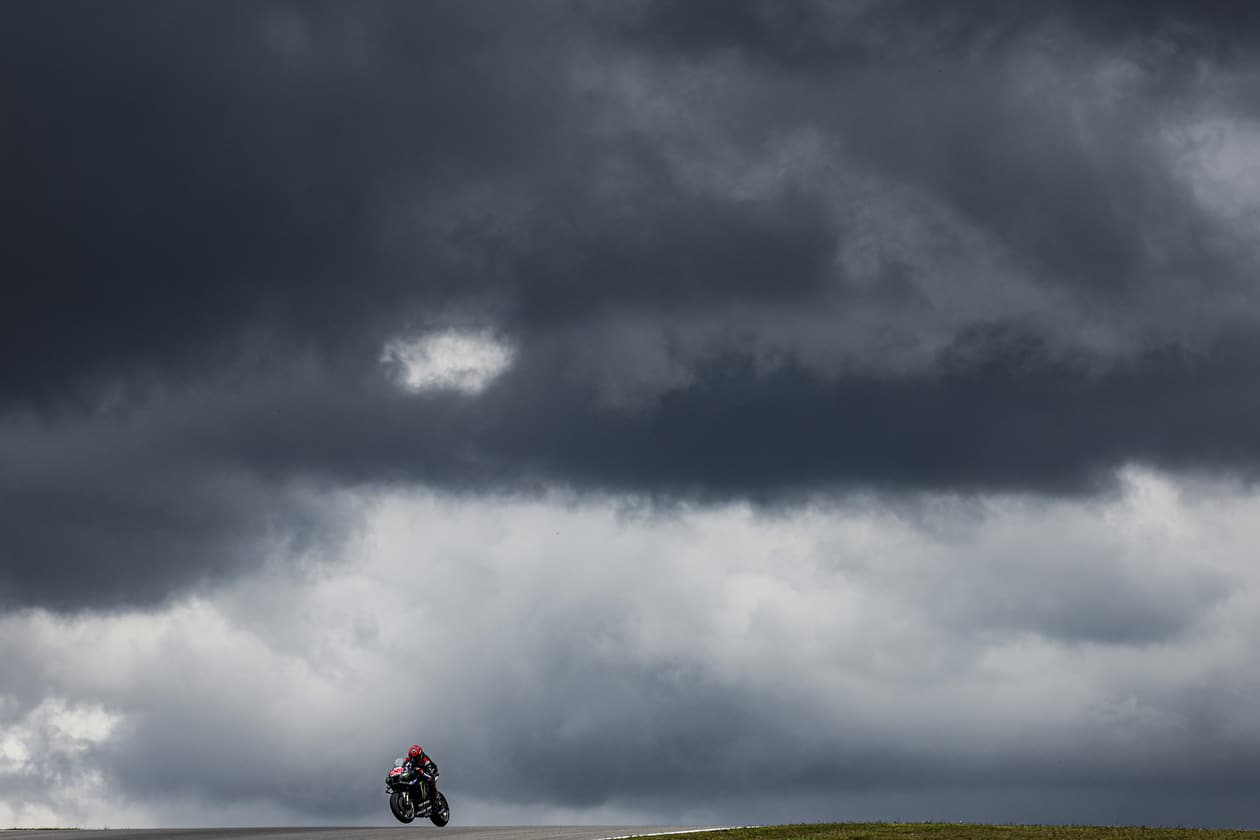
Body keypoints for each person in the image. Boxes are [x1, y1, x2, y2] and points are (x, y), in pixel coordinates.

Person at [404, 744, 440, 811]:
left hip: (430, 771)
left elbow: (430, 771)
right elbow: (404, 765)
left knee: (430, 779)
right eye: (411, 757)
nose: (413, 759)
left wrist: (422, 772)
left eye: (415, 758)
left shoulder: (425, 760)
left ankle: (435, 798)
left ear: (419, 755)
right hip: (417, 774)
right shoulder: (409, 759)